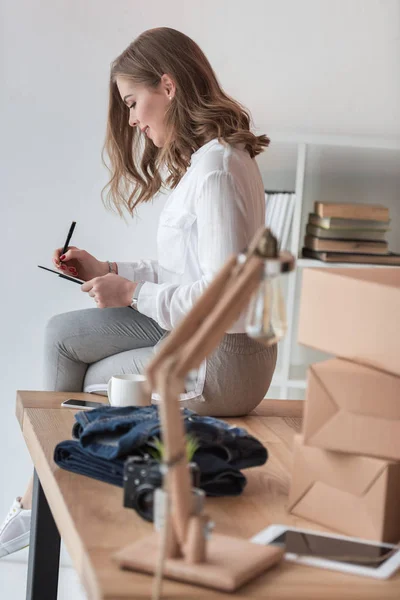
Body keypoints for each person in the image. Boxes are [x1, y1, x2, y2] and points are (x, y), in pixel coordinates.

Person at [0, 27, 277, 558]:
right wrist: (107, 268)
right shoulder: (206, 162)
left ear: (168, 87)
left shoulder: (218, 167)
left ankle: (52, 508)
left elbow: (229, 300)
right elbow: (183, 271)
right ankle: (46, 497)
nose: (131, 119)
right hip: (196, 331)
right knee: (62, 335)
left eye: (133, 102)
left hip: (224, 358)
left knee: (100, 381)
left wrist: (132, 293)